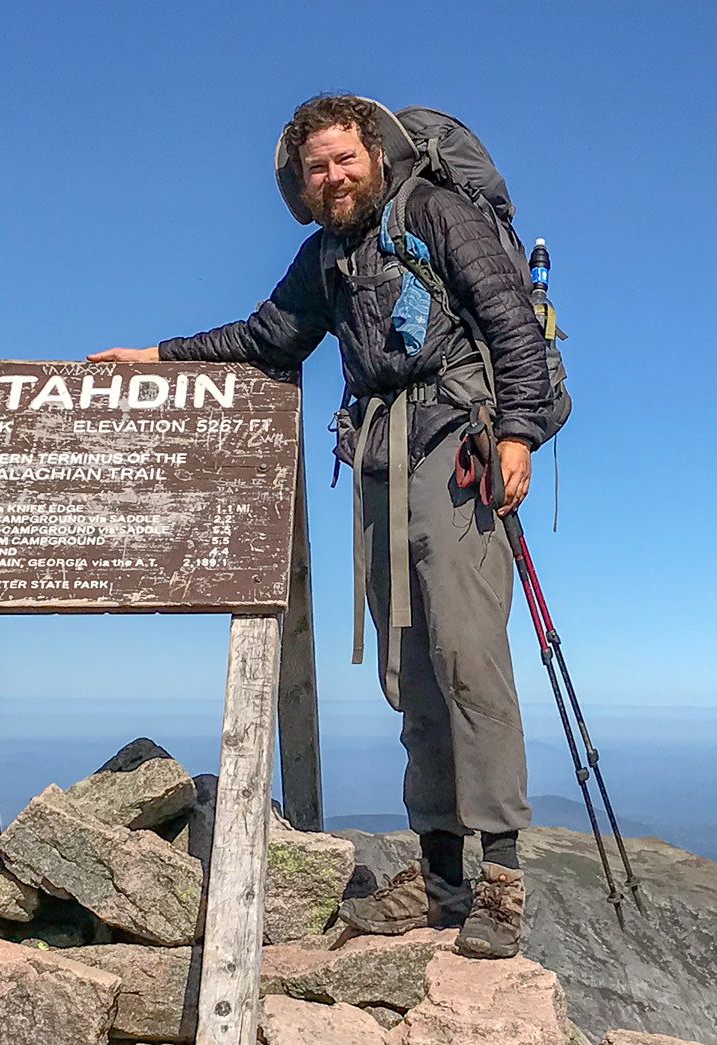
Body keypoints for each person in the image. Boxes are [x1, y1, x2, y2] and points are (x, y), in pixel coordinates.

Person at [88, 94, 552, 958]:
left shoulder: (437, 213)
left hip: (457, 447)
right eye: (316, 168)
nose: (333, 177)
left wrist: (519, 432)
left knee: (467, 660)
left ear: (374, 153)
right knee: (409, 670)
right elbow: (268, 337)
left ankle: (502, 884)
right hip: (379, 460)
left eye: (344, 159)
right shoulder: (326, 258)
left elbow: (510, 322)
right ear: (300, 183)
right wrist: (156, 356)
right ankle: (443, 879)